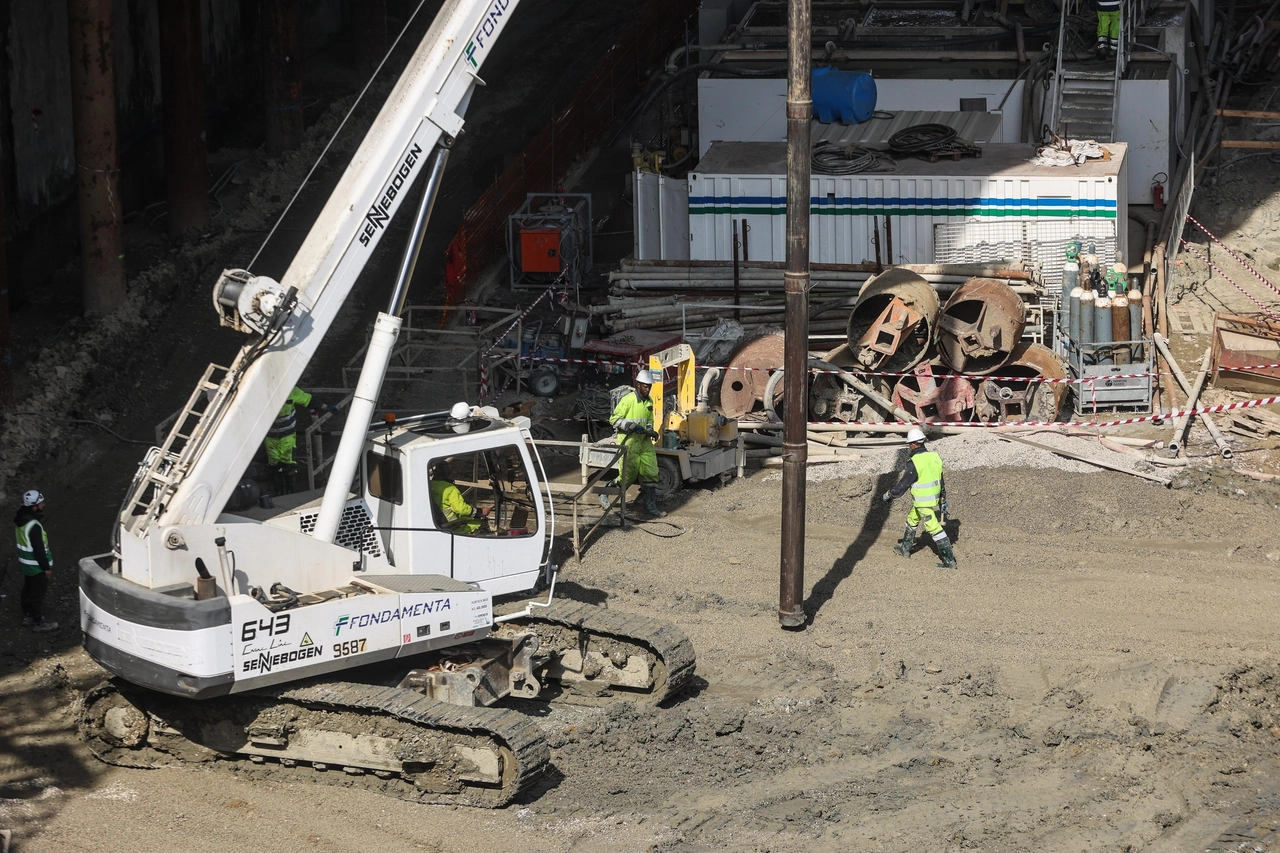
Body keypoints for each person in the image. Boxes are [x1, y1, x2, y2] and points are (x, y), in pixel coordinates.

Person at [881, 428, 957, 568]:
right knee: (912, 519)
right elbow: (940, 480)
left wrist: (890, 494)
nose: (909, 447)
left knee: (933, 527)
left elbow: (904, 483)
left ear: (915, 444)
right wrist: (943, 498)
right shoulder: (935, 456)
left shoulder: (915, 461)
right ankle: (905, 548)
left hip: (923, 502)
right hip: (929, 499)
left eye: (910, 444)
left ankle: (949, 560)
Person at [607, 369, 665, 518]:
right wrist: (630, 426)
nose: (648, 388)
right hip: (629, 443)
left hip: (645, 443)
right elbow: (614, 419)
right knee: (627, 477)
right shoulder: (628, 400)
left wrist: (650, 429)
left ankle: (650, 507)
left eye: (649, 386)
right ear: (638, 384)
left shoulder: (649, 401)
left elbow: (649, 420)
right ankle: (605, 492)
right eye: (645, 385)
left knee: (652, 473)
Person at [265, 386, 336, 495]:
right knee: (274, 463)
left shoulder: (290, 391)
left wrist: (325, 407)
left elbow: (308, 400)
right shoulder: (263, 393)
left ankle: (289, 492)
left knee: (288, 463)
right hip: (270, 437)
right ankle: (279, 492)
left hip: (286, 437)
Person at [14, 490, 57, 632]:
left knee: (27, 590)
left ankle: (27, 616)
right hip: (36, 566)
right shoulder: (34, 526)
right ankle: (38, 622)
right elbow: (39, 550)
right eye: (41, 503)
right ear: (34, 507)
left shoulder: (21, 521)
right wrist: (46, 568)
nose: (43, 505)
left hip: (26, 565)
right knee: (37, 595)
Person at [429, 460, 491, 534]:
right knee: (479, 523)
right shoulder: (450, 488)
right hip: (452, 525)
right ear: (448, 473)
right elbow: (461, 509)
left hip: (436, 523)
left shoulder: (429, 485)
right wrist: (480, 511)